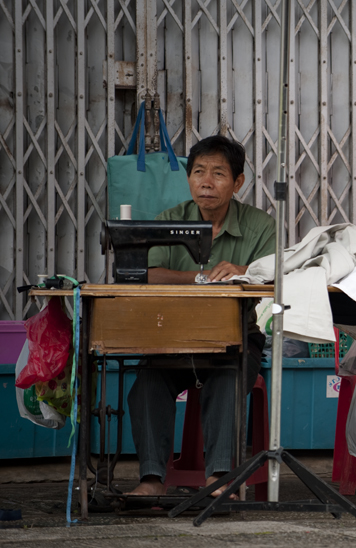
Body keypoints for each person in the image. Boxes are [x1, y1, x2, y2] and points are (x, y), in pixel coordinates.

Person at [126, 135, 276, 497]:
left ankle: (219, 480)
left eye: (219, 173)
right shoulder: (169, 220)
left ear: (238, 182)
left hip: (236, 338)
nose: (206, 182)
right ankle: (151, 480)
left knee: (226, 377)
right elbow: (147, 273)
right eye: (198, 172)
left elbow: (273, 277)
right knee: (146, 382)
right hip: (173, 336)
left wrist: (242, 270)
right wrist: (200, 278)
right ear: (189, 177)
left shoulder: (260, 226)